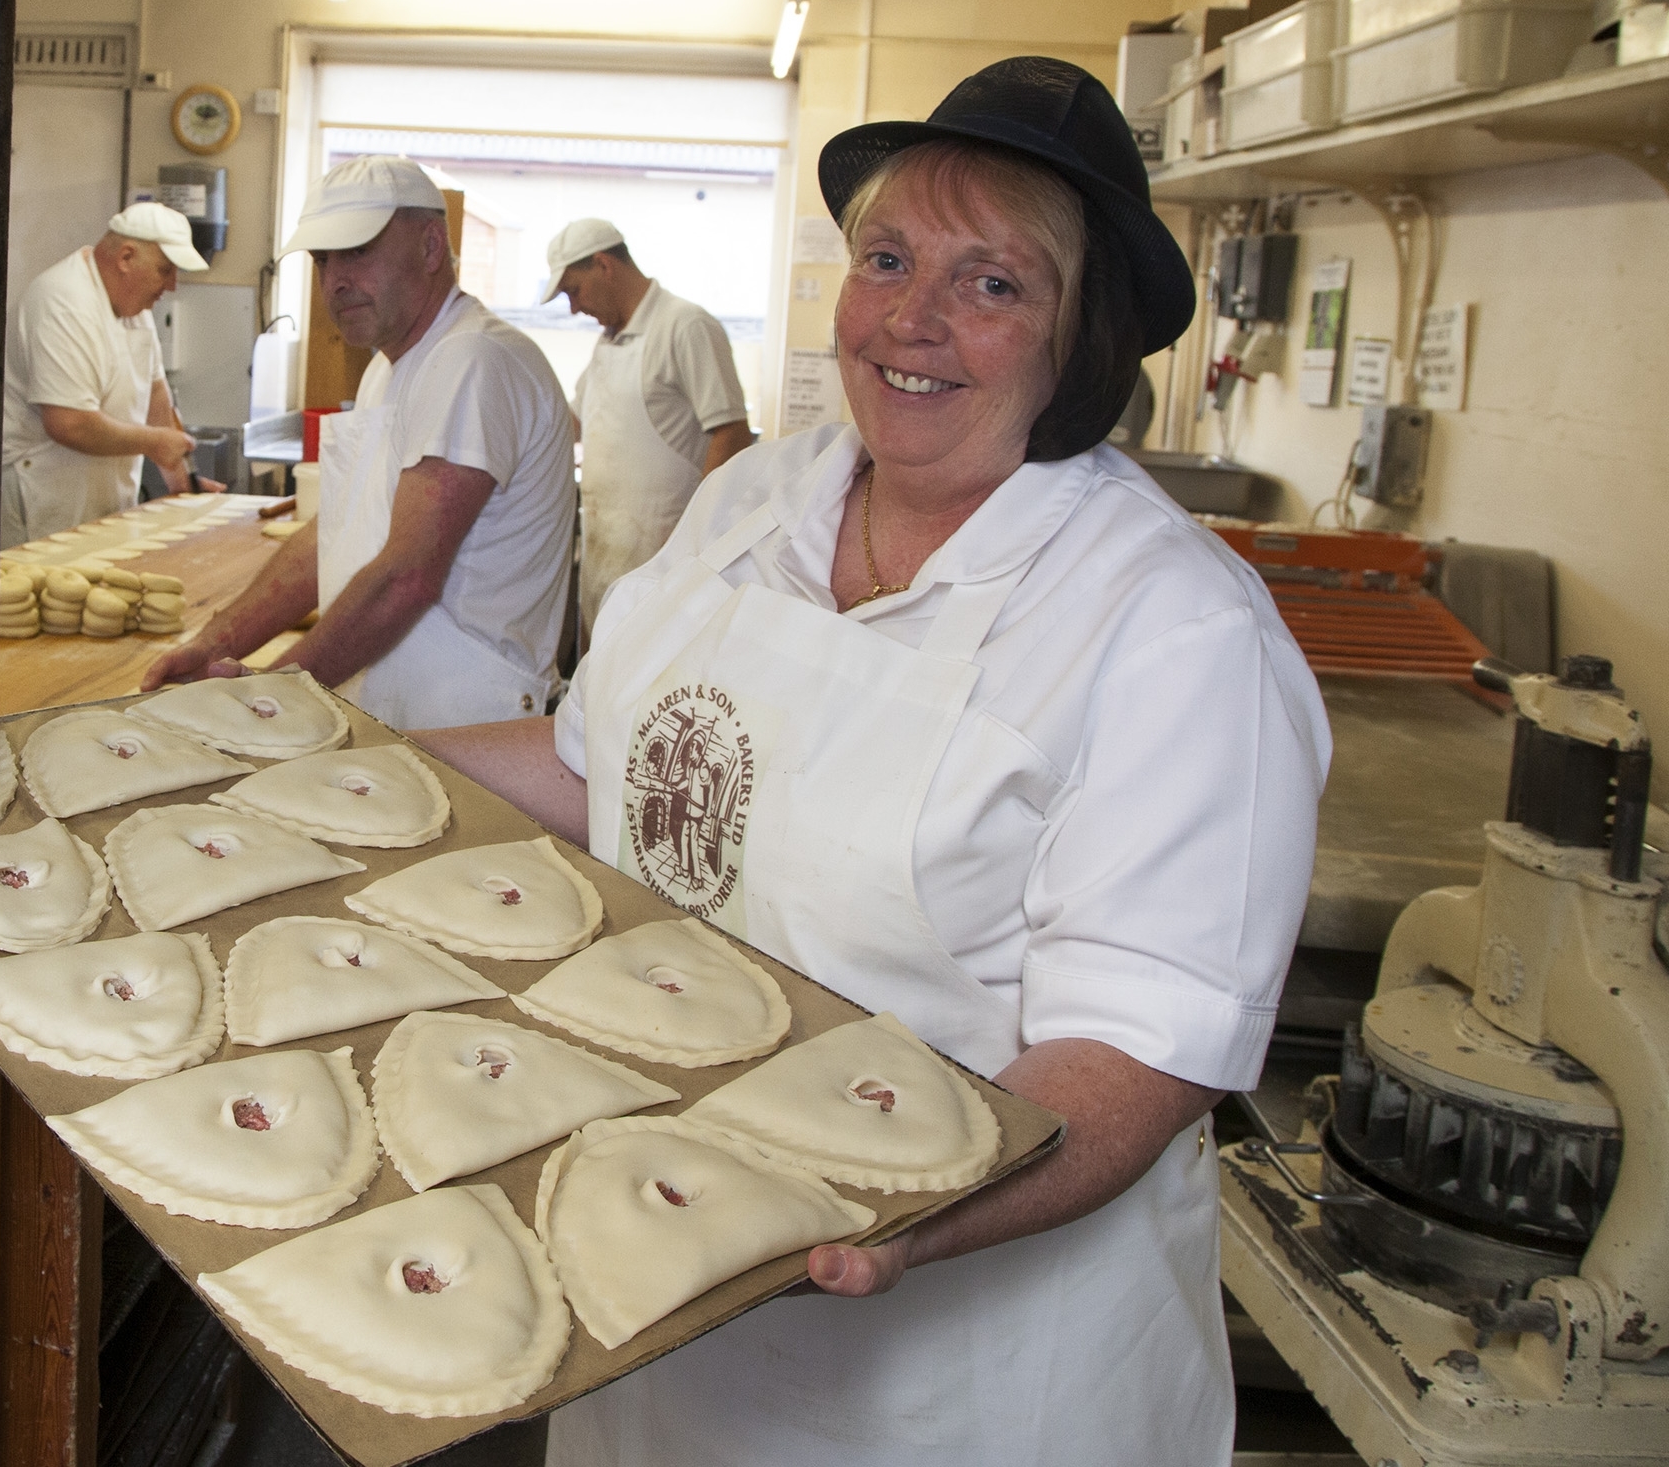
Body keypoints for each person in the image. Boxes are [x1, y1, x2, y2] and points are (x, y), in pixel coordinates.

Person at [417, 57, 1332, 1465]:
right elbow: (605, 764)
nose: (912, 319)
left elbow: (1140, 1053)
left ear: (1077, 342)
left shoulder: (1169, 628)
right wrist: (327, 761)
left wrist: (897, 1220)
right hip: (660, 1296)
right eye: (888, 258)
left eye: (993, 283)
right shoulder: (752, 502)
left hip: (962, 1384)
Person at [141, 156, 576, 729]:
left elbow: (407, 579)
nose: (335, 282)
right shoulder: (388, 368)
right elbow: (334, 534)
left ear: (428, 247)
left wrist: (277, 696)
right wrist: (217, 642)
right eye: (323, 261)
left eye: (358, 253)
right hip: (398, 706)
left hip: (469, 720)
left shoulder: (473, 360)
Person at [545, 220, 754, 637]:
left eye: (573, 290)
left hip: (665, 564)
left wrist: (698, 543)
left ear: (603, 265)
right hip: (606, 557)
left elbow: (730, 433)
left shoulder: (684, 326)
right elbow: (573, 423)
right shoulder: (609, 342)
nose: (573, 308)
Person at [0, 203, 219, 546]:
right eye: (165, 270)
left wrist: (182, 478)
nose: (172, 285)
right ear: (126, 258)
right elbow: (68, 422)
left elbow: (156, 398)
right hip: (40, 494)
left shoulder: (134, 306)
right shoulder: (64, 301)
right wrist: (155, 444)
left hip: (101, 498)